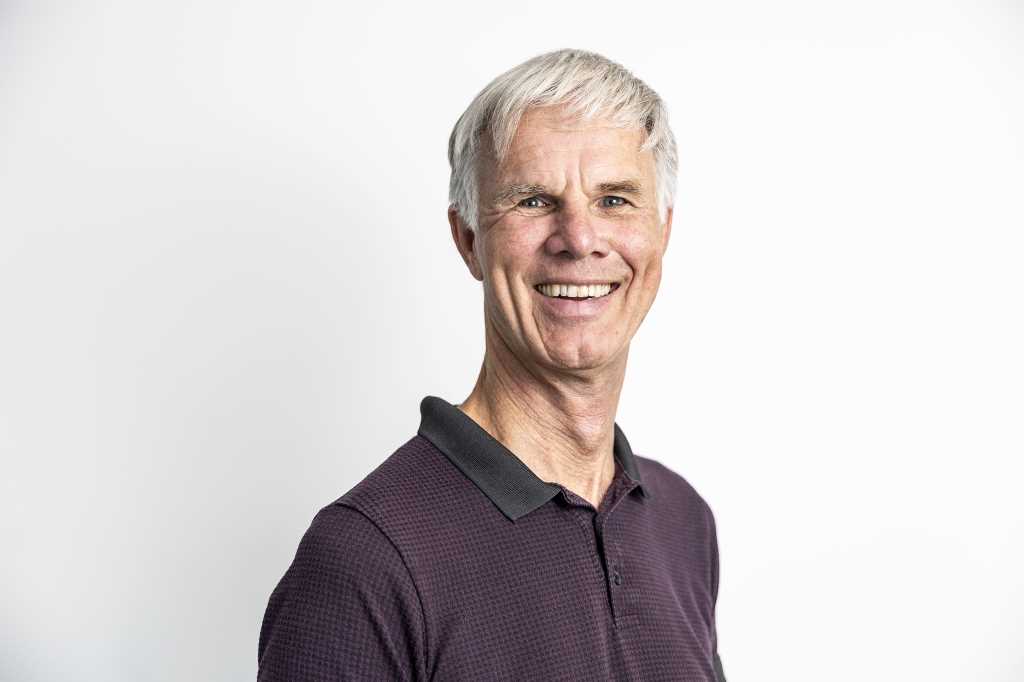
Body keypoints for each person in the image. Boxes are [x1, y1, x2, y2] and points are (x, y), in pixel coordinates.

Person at [257, 48, 726, 681]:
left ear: (662, 231)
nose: (579, 239)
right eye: (533, 200)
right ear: (469, 238)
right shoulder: (366, 556)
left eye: (615, 200)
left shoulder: (682, 523)